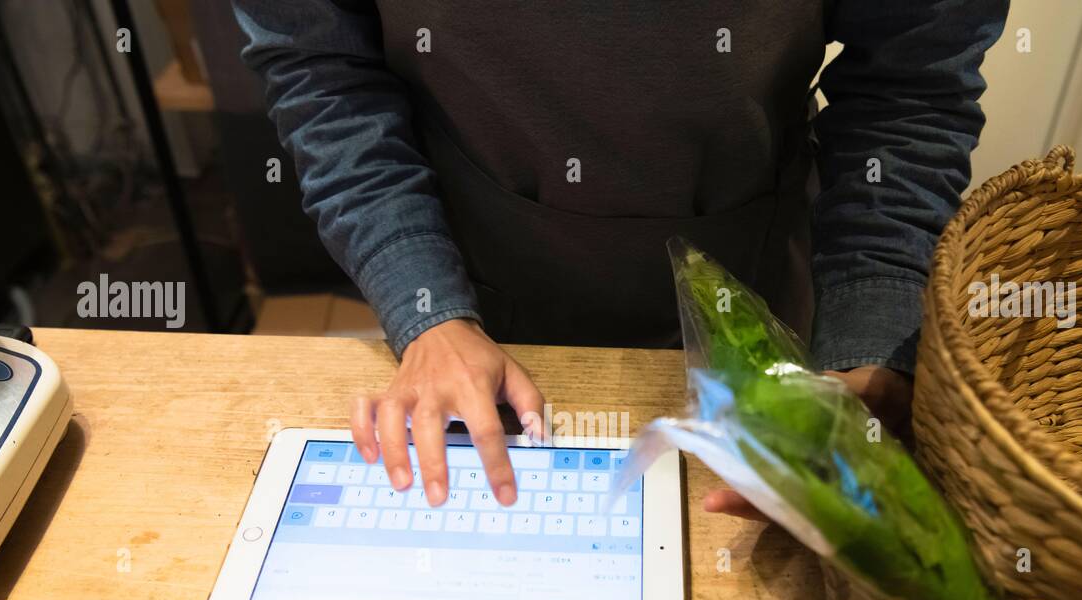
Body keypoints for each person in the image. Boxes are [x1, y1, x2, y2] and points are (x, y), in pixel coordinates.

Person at [233, 0, 1006, 518]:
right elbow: (324, 72)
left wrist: (872, 340)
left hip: (763, 320)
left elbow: (908, 87)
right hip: (470, 292)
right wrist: (423, 304)